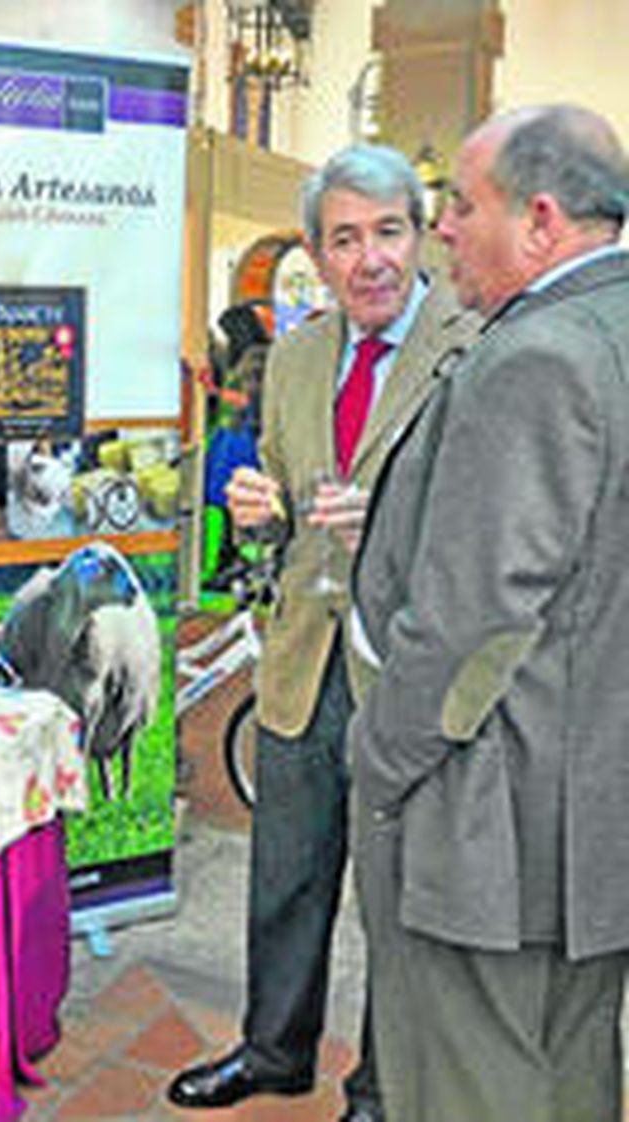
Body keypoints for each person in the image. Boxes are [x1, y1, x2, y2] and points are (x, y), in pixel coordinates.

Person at [167, 144, 479, 1122]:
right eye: (344, 239)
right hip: (305, 655)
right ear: (317, 253)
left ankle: (383, 1090)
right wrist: (256, 504)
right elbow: (278, 483)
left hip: (414, 670)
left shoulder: (475, 348)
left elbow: (497, 520)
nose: (370, 259)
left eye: (387, 232)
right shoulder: (296, 354)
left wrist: (391, 523)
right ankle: (272, 1051)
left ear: (420, 235)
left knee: (397, 902)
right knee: (287, 873)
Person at [348, 104, 629, 1122]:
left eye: (461, 207)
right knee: (569, 1071)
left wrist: (380, 755)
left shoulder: (536, 359)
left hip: (493, 830)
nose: (442, 232)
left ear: (542, 220)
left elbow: (474, 619)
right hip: (590, 815)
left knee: (471, 1082)